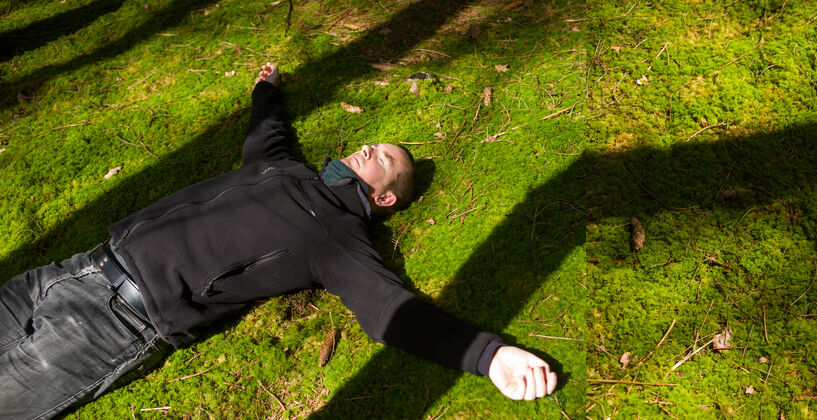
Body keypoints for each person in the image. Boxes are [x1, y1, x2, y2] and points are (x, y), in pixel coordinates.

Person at [0, 63, 557, 420]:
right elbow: (269, 132)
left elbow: (390, 309)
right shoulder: (284, 167)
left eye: (384, 158)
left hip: (116, 323)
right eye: (373, 144)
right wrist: (266, 89)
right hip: (69, 270)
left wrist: (490, 356)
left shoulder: (335, 237)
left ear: (386, 197)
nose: (368, 149)